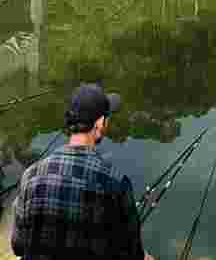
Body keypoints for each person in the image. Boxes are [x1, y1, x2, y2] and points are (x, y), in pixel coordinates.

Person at [11, 83, 154, 260]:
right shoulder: (116, 183)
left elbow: (18, 246)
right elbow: (132, 254)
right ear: (100, 123)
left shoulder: (30, 176)